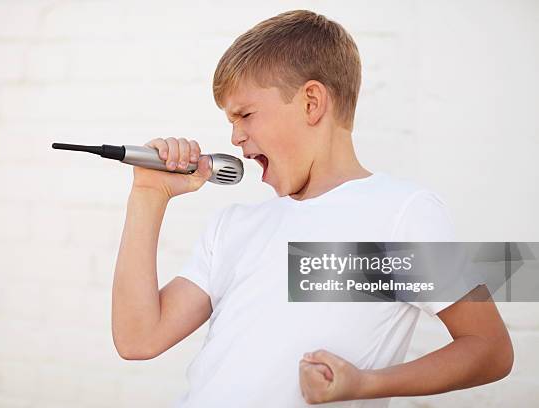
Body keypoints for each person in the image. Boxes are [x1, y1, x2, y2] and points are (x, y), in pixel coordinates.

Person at [111, 9, 513, 407]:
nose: (234, 137)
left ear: (311, 102)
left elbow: (488, 348)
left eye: (245, 114)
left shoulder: (401, 214)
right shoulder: (232, 227)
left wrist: (364, 384)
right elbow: (138, 340)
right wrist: (148, 194)